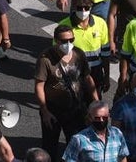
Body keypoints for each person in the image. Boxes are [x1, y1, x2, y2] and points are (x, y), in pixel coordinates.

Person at [35, 23, 97, 160]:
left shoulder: (78, 54)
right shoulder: (45, 59)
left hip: (76, 109)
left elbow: (87, 78)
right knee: (50, 146)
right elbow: (39, 86)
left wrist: (96, 102)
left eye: (71, 40)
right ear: (56, 41)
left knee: (76, 144)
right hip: (53, 110)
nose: (68, 44)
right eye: (64, 41)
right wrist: (45, 111)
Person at [62, 101, 129, 162]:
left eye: (104, 117)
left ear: (109, 116)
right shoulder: (79, 139)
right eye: (97, 118)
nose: (101, 120)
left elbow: (122, 157)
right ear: (90, 117)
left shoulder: (117, 134)